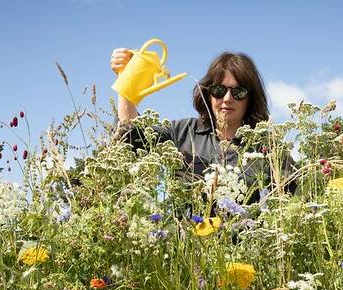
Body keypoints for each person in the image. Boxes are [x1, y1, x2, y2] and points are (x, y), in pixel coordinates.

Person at [109, 48, 297, 202]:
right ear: (207, 93)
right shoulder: (181, 132)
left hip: (244, 245)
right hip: (187, 244)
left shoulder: (267, 147)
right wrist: (126, 81)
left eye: (238, 92)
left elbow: (295, 197)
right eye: (219, 90)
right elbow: (130, 140)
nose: (227, 99)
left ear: (250, 98)